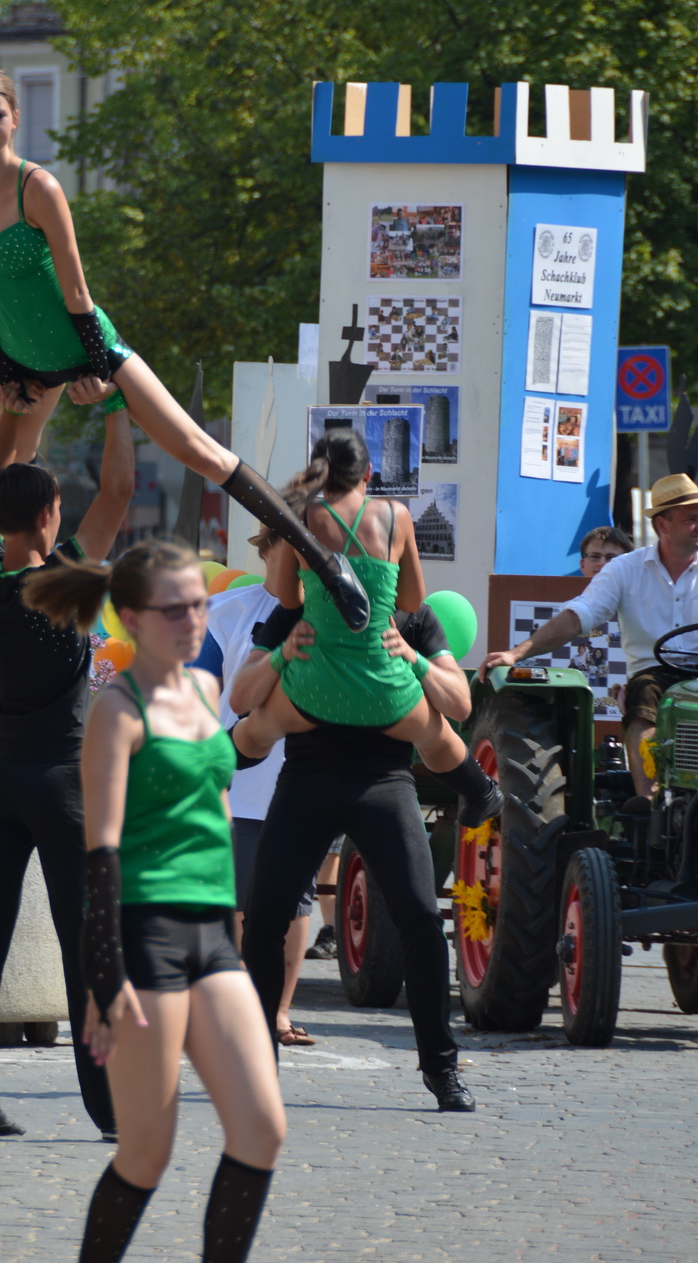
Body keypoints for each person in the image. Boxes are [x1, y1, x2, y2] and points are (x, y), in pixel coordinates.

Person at [0, 68, 371, 638]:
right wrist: (6, 374)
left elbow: (77, 294)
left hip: (89, 343)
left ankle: (322, 559)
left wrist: (101, 375)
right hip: (25, 361)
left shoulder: (37, 187)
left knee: (200, 451)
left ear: (16, 119)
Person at [24, 539, 285, 1263]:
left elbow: (213, 812)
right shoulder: (116, 709)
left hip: (212, 933)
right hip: (139, 936)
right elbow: (96, 850)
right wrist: (103, 981)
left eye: (199, 605)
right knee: (148, 1149)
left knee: (261, 1128)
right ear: (129, 619)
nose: (193, 620)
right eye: (174, 609)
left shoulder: (207, 689)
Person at [0, 398, 134, 1139]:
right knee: (84, 952)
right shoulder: (70, 580)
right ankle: (109, 1110)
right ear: (53, 515)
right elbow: (119, 490)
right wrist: (119, 403)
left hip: (1, 786)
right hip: (64, 788)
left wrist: (11, 412)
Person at [235, 595, 479, 1112]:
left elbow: (459, 705)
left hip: (384, 780)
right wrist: (282, 654)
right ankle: (259, 1065)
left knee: (419, 918)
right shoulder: (293, 613)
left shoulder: (411, 615)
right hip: (307, 776)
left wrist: (412, 657)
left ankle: (441, 1066)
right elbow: (242, 697)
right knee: (262, 918)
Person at [230, 431, 502, 830]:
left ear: (316, 474)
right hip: (385, 687)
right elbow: (412, 600)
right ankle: (481, 791)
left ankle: (206, 766)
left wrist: (319, 595)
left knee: (257, 726)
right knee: (437, 733)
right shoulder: (397, 516)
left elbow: (288, 598)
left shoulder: (302, 516)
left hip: (316, 688)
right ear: (369, 474)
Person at [482, 475, 698, 798]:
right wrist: (517, 653)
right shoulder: (625, 569)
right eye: (691, 518)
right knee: (642, 696)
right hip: (656, 675)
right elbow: (580, 615)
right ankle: (652, 802)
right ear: (663, 525)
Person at [195, 524, 315, 1045]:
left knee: (297, 903)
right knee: (241, 903)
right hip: (240, 780)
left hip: (308, 777)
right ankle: (243, 1008)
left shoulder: (330, 614)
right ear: (266, 549)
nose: (294, 561)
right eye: (286, 547)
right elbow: (201, 692)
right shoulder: (227, 611)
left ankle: (278, 1011)